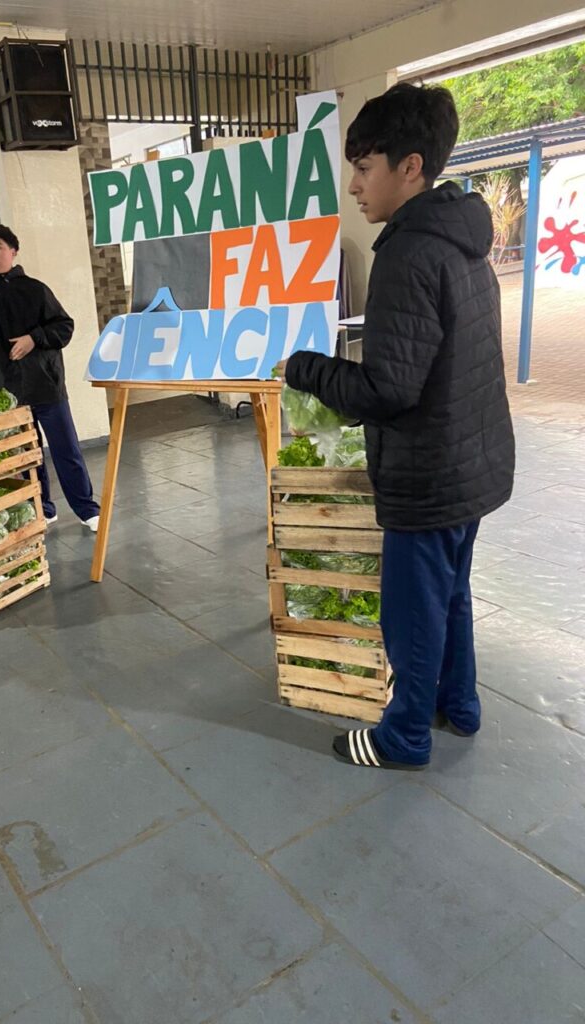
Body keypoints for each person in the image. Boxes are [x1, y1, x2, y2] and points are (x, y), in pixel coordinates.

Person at [277, 83, 515, 770]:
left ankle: (404, 736)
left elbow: (387, 390)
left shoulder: (408, 254)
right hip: (473, 462)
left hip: (428, 474)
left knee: (412, 614)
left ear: (410, 166)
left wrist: (306, 368)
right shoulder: (462, 239)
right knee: (452, 596)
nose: (354, 185)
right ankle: (458, 705)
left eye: (364, 166)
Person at [0, 223, 100, 532]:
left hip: (46, 387)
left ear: (12, 251)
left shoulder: (35, 289)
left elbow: (64, 326)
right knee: (25, 457)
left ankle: (87, 509)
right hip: (8, 394)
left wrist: (34, 338)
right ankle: (42, 509)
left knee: (66, 451)